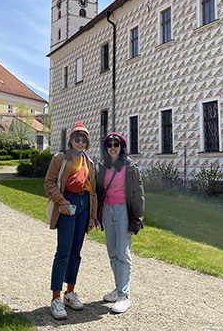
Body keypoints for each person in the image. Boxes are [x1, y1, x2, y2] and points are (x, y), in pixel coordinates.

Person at [44, 121, 99, 320]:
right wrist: (62, 201)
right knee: (63, 252)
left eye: (84, 139)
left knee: (76, 252)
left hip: (83, 205)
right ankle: (56, 297)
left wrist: (93, 216)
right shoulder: (61, 157)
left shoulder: (89, 162)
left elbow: (92, 191)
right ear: (71, 140)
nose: (80, 142)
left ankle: (70, 292)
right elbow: (49, 182)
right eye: (77, 138)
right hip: (68, 203)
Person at [96, 132, 144, 314]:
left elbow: (138, 195)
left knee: (123, 253)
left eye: (116, 145)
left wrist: (136, 221)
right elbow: (99, 191)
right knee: (113, 252)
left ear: (122, 147)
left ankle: (124, 295)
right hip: (108, 210)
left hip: (124, 210)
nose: (113, 148)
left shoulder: (130, 166)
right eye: (109, 145)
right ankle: (117, 289)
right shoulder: (103, 166)